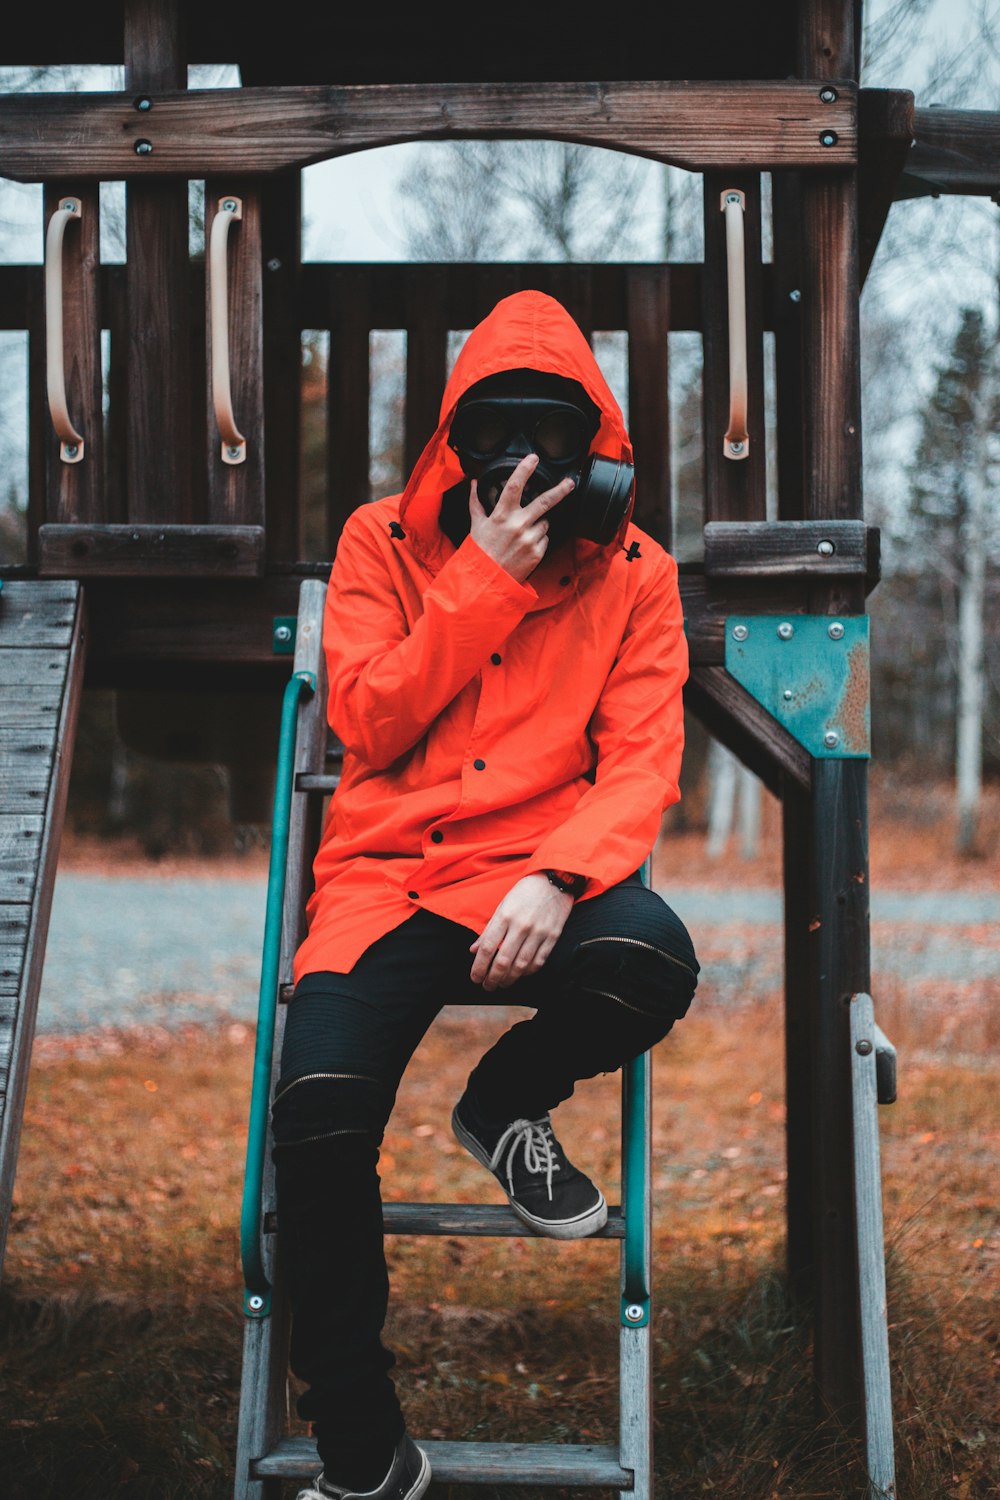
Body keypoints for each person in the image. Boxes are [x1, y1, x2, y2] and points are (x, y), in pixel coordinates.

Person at [272, 290, 699, 1500]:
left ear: (592, 443)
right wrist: (484, 581)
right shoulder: (378, 545)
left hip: (534, 876)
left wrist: (561, 876)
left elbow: (642, 763)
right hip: (387, 882)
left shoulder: (633, 571)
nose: (524, 461)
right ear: (455, 441)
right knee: (313, 1122)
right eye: (500, 431)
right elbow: (365, 716)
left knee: (654, 960)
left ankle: (503, 1104)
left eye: (552, 436)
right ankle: (363, 1451)